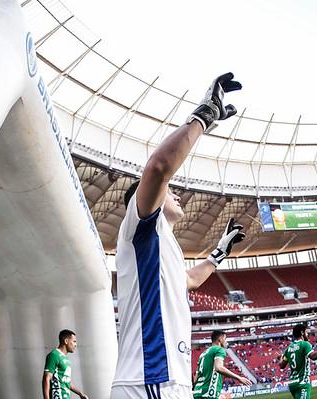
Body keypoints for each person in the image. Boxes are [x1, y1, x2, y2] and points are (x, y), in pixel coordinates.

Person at [111, 73, 246, 399]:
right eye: (170, 192)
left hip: (161, 379)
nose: (177, 195)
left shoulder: (161, 244)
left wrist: (219, 253)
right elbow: (158, 167)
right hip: (151, 378)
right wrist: (204, 117)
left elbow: (188, 281)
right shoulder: (143, 226)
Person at [192, 331, 252, 398]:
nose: (226, 342)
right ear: (220, 339)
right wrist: (239, 378)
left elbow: (195, 379)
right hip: (209, 393)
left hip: (197, 393)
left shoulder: (202, 354)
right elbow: (218, 368)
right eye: (225, 339)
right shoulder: (219, 349)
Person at [279, 324, 317, 399]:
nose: (307, 335)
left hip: (292, 384)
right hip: (302, 382)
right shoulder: (304, 344)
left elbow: (281, 365)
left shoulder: (289, 348)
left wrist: (280, 358)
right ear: (302, 333)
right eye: (306, 332)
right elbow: (313, 356)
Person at [43, 329, 89, 399]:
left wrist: (80, 394)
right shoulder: (54, 355)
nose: (75, 344)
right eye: (74, 341)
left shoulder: (66, 359)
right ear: (66, 341)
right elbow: (46, 378)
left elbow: (66, 382)